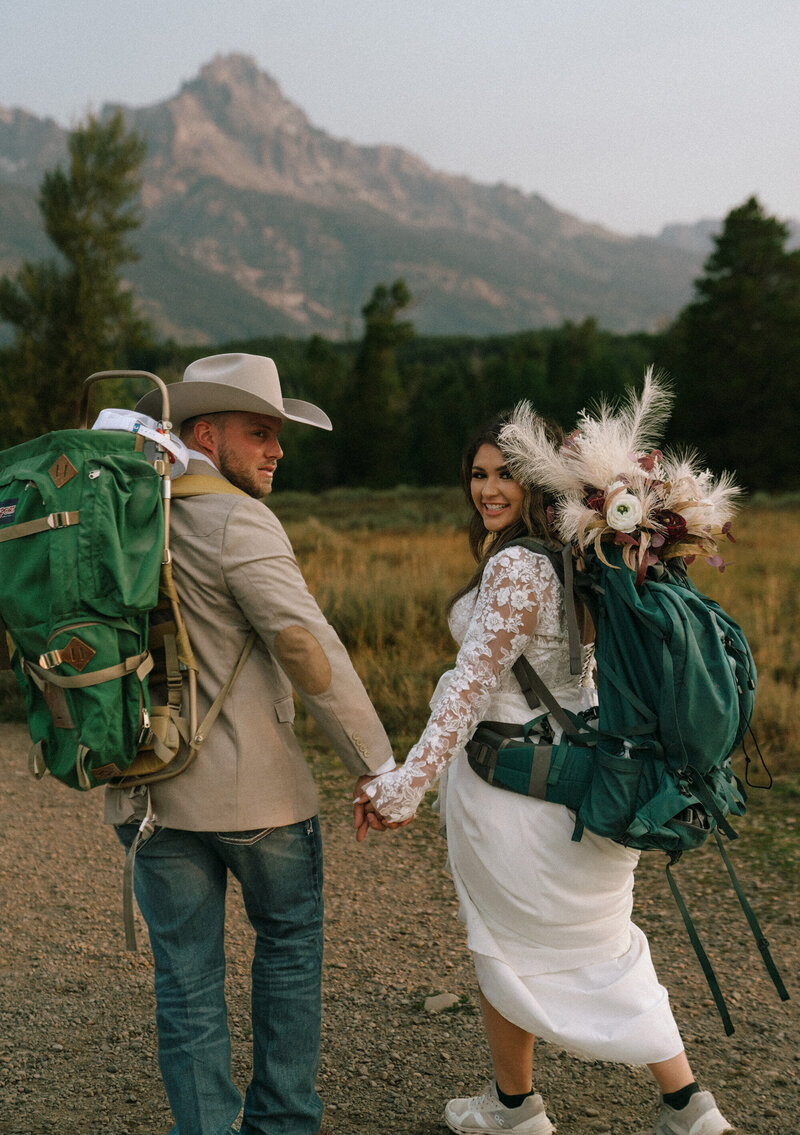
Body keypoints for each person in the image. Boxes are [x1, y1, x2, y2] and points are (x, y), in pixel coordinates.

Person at [356, 404, 735, 1135]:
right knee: (592, 947)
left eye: (506, 475)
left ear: (540, 484)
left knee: (530, 947)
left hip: (516, 795)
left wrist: (404, 786)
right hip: (578, 778)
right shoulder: (587, 558)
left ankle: (532, 1111)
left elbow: (467, 691)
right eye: (478, 473)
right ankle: (671, 1106)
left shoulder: (521, 565)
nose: (488, 489)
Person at [106, 352, 396, 1135]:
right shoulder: (239, 520)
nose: (276, 450)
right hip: (257, 799)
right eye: (260, 433)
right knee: (291, 946)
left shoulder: (128, 513)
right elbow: (309, 649)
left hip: (147, 794)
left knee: (187, 980)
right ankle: (282, 1124)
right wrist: (378, 765)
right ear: (206, 432)